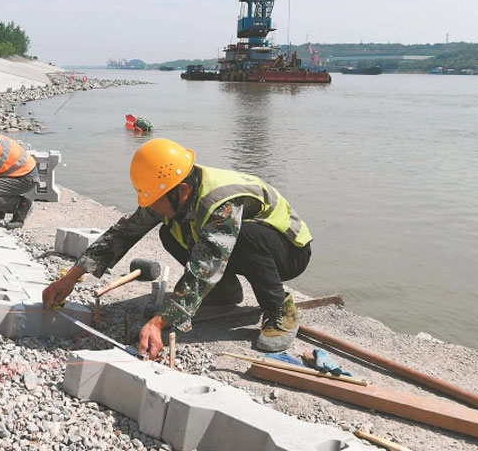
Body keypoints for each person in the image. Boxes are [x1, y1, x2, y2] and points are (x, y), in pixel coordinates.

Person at [42, 138, 312, 357]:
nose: (151, 207)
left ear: (181, 191)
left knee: (243, 237)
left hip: (289, 251)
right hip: (242, 245)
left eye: (155, 201)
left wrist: (159, 322)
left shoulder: (221, 204)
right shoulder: (171, 191)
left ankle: (280, 309)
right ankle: (224, 291)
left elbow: (206, 264)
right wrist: (71, 278)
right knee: (170, 232)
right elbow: (124, 232)